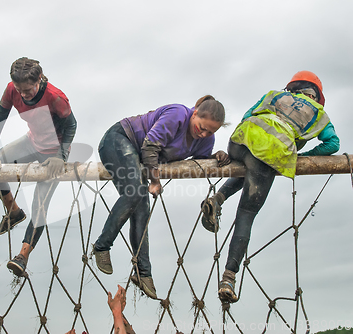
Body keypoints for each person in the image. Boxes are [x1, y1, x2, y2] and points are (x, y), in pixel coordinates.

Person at [200, 71, 340, 303]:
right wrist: (301, 156)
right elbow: (332, 144)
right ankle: (228, 278)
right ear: (316, 95)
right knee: (246, 213)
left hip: (240, 141)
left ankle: (217, 199)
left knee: (251, 166)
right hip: (271, 152)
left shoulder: (275, 96)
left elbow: (247, 115)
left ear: (292, 88)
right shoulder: (319, 113)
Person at [92, 96, 229, 299]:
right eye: (202, 127)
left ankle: (143, 273)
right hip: (119, 140)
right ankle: (102, 246)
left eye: (211, 131)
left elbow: (201, 161)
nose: (204, 133)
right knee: (137, 191)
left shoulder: (206, 139)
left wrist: (218, 155)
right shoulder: (177, 115)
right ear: (195, 113)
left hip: (138, 158)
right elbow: (149, 146)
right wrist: (155, 182)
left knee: (141, 208)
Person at [0, 57, 77, 277]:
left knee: (40, 206)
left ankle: (23, 255)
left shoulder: (55, 97)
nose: (24, 95)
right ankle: (14, 211)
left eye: (28, 90)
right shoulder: (11, 90)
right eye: (19, 90)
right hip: (31, 143)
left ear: (40, 79)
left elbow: (72, 125)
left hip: (53, 153)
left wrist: (61, 156)